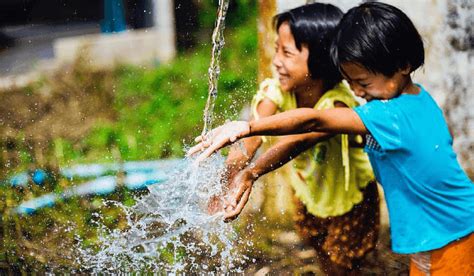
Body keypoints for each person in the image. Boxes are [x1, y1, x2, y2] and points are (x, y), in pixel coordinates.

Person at [189, 2, 474, 275]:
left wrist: (247, 128)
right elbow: (444, 137)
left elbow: (313, 119)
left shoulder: (388, 114)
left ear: (404, 64)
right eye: (350, 81)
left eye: (362, 83)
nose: (358, 93)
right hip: (442, 228)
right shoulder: (419, 98)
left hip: (449, 232)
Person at [203, 3, 379, 275]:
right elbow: (252, 136)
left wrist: (253, 173)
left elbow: (299, 141)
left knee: (342, 263)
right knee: (319, 247)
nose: (276, 61)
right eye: (276, 50)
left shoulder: (338, 105)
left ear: (320, 59)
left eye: (287, 53)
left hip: (350, 198)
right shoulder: (277, 90)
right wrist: (228, 177)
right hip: (308, 189)